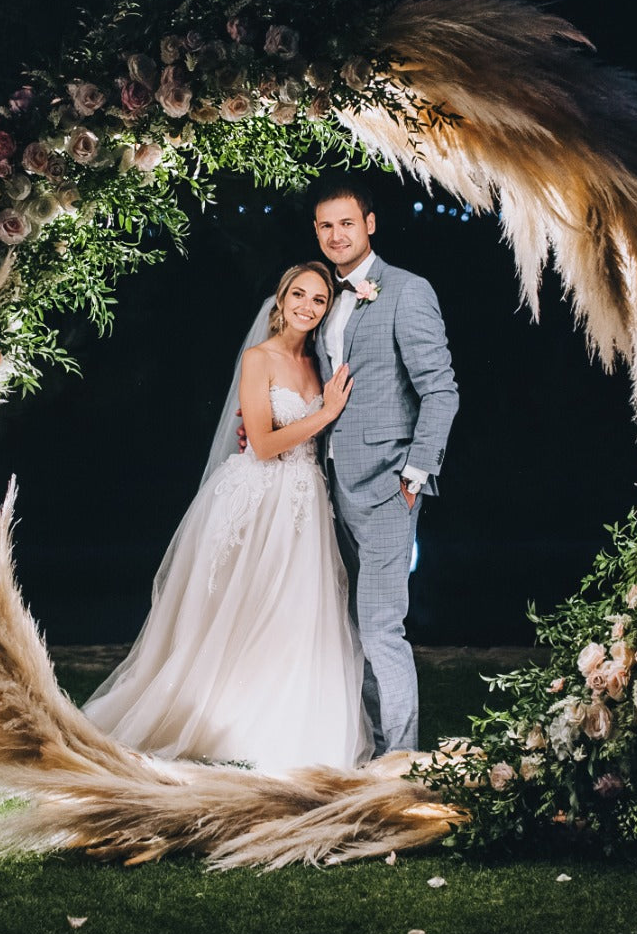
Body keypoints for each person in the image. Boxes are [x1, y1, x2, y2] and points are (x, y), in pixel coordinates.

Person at [82, 263, 373, 773]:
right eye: (299, 295)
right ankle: (213, 719)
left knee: (296, 615)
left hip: (305, 501)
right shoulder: (259, 358)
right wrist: (322, 416)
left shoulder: (319, 364)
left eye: (320, 300)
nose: (308, 306)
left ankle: (280, 725)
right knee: (233, 608)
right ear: (280, 299)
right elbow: (260, 444)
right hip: (257, 497)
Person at [311, 176, 459, 755]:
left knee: (380, 628)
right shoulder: (320, 294)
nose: (336, 234)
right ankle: (367, 749)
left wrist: (415, 475)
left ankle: (400, 759)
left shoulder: (406, 290)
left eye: (346, 222)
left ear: (369, 224)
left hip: (387, 489)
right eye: (325, 225)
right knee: (349, 630)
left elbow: (441, 391)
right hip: (328, 486)